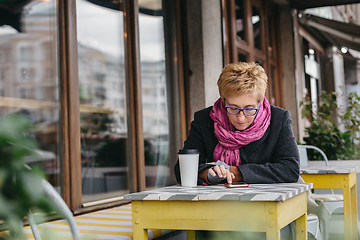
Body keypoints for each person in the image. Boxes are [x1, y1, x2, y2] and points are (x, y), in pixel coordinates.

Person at [174, 62, 300, 185]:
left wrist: (234, 172)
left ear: (259, 102)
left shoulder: (279, 119)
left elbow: (290, 169)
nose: (241, 118)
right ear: (223, 101)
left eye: (249, 109)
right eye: (233, 108)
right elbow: (182, 169)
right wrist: (208, 173)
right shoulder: (203, 119)